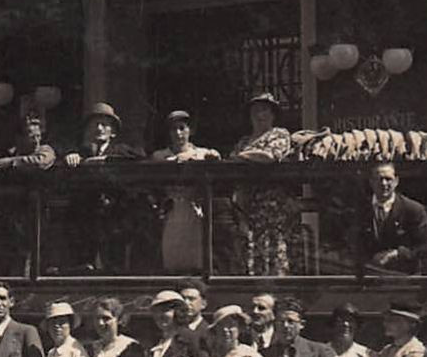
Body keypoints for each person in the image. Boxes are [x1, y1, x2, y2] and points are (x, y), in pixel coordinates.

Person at [62, 102, 146, 272]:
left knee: (114, 262)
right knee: (84, 264)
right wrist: (71, 155)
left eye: (104, 125)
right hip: (88, 217)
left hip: (115, 217)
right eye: (95, 124)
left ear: (113, 132)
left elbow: (140, 155)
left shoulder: (121, 150)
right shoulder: (82, 151)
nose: (99, 128)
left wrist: (107, 160)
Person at [229, 92, 297, 276]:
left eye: (265, 110)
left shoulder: (279, 134)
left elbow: (270, 156)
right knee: (247, 257)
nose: (260, 115)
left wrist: (242, 156)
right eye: (256, 111)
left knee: (272, 257)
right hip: (246, 209)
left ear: (273, 114)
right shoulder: (243, 141)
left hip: (271, 210)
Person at [0, 114, 56, 275]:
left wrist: (11, 162)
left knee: (31, 257)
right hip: (11, 214)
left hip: (34, 214)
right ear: (19, 137)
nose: (36, 141)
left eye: (39, 136)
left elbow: (42, 161)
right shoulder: (8, 151)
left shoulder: (45, 149)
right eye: (32, 137)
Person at [152, 111, 217, 273]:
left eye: (182, 128)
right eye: (173, 129)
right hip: (171, 211)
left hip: (195, 210)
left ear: (190, 131)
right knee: (172, 256)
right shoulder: (160, 156)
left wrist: (212, 158)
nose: (178, 133)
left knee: (196, 258)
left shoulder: (202, 153)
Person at [356, 162, 427, 274]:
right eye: (379, 179)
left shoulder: (413, 210)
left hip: (405, 280)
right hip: (369, 281)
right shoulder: (360, 210)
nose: (383, 183)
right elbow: (353, 243)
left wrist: (397, 254)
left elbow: (425, 246)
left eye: (388, 179)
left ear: (396, 181)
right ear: (371, 182)